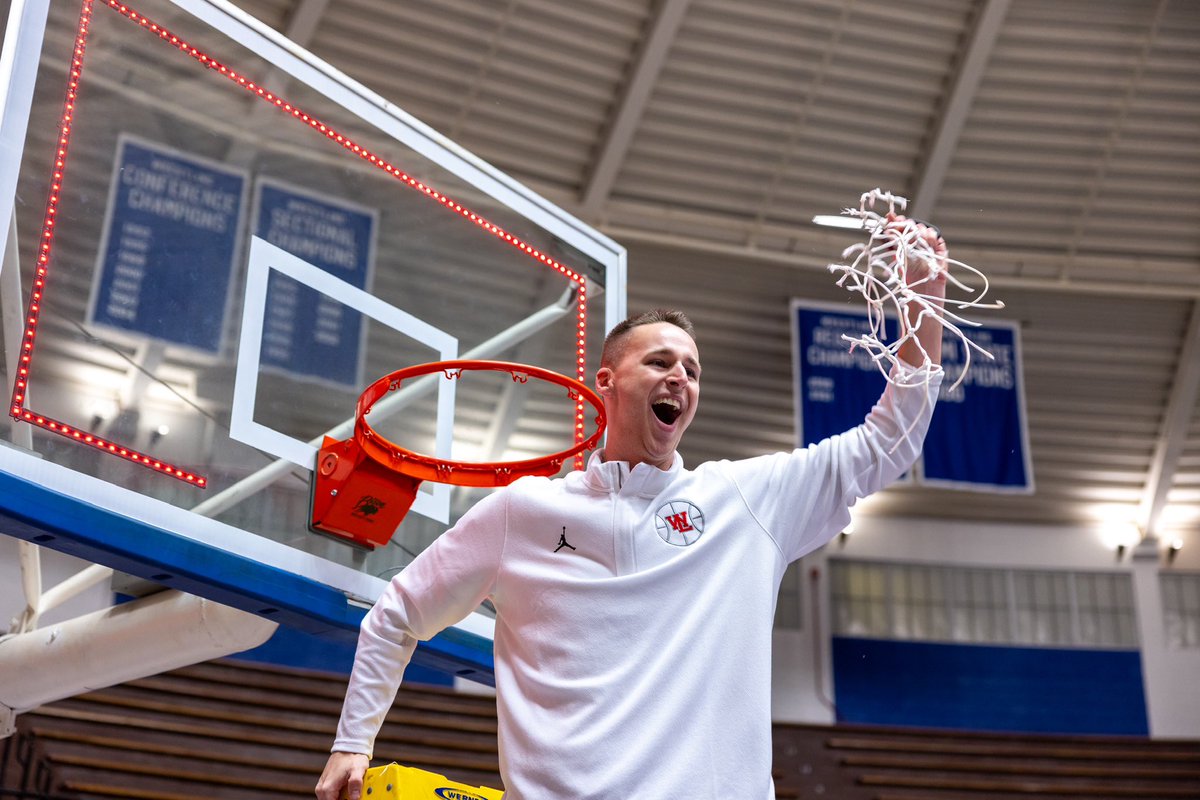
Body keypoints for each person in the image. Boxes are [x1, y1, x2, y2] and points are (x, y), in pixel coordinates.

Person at [316, 218, 948, 799]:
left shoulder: (746, 499)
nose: (681, 377)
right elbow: (395, 614)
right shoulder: (523, 512)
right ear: (607, 381)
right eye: (660, 361)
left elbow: (887, 443)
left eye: (693, 370)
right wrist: (352, 741)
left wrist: (923, 308)